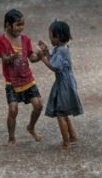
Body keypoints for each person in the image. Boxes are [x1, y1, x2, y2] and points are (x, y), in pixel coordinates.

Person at [0, 9, 44, 146]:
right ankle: (11, 137)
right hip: (12, 81)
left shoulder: (25, 39)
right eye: (17, 25)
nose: (20, 28)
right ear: (8, 25)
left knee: (39, 105)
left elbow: (32, 58)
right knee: (13, 109)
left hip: (27, 79)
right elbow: (4, 59)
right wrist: (12, 58)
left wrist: (41, 55)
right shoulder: (1, 40)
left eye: (22, 24)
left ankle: (31, 127)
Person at [38, 20, 83, 150]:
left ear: (57, 37)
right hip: (64, 82)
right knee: (64, 111)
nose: (49, 38)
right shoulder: (61, 48)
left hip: (64, 83)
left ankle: (66, 142)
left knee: (60, 114)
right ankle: (72, 136)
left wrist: (42, 58)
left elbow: (54, 66)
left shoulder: (62, 50)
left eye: (51, 36)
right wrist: (46, 51)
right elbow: (54, 60)